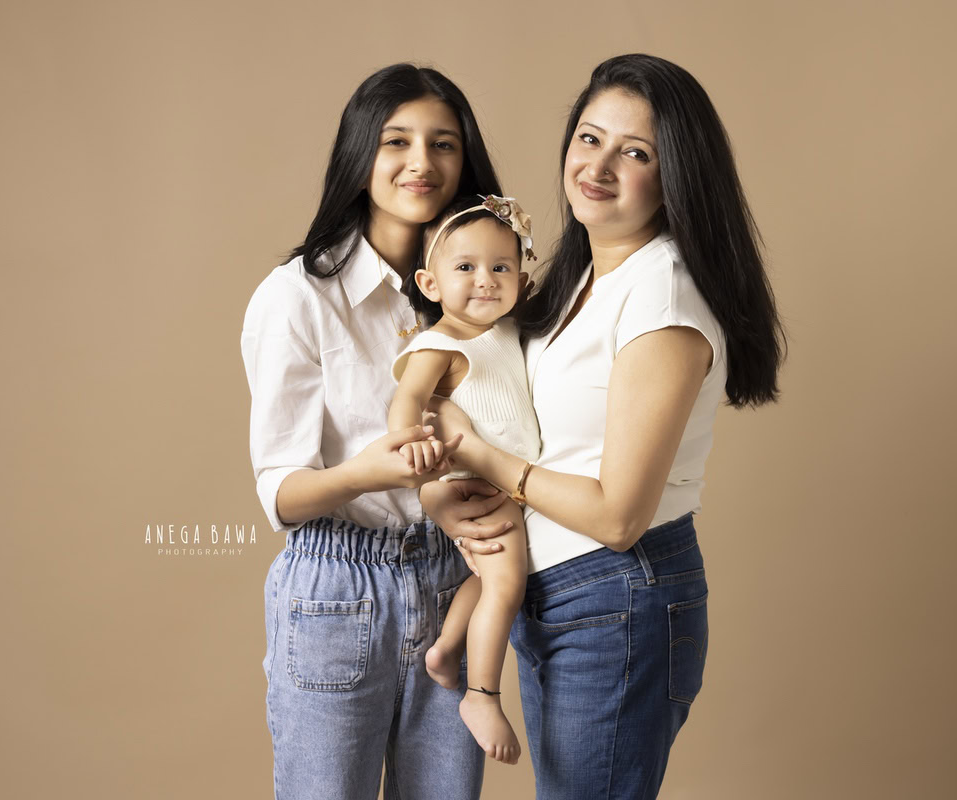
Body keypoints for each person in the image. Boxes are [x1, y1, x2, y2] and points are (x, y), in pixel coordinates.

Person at [421, 54, 786, 800]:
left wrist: (487, 464)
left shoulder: (663, 296)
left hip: (616, 587)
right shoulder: (584, 277)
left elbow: (619, 516)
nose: (599, 165)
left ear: (675, 174)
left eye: (636, 152)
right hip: (562, 591)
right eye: (590, 138)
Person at [240, 63, 510, 800]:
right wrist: (371, 472)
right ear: (360, 153)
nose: (421, 163)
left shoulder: (480, 291)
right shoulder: (298, 298)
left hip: (452, 579)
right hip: (338, 587)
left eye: (444, 144)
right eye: (397, 141)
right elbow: (282, 495)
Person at [387, 193, 540, 765]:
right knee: (506, 584)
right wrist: (416, 451)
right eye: (466, 268)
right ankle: (481, 694)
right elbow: (406, 403)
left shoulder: (503, 333)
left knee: (490, 573)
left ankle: (447, 649)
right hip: (468, 482)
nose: (486, 280)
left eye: (501, 268)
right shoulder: (439, 344)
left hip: (500, 483)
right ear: (429, 284)